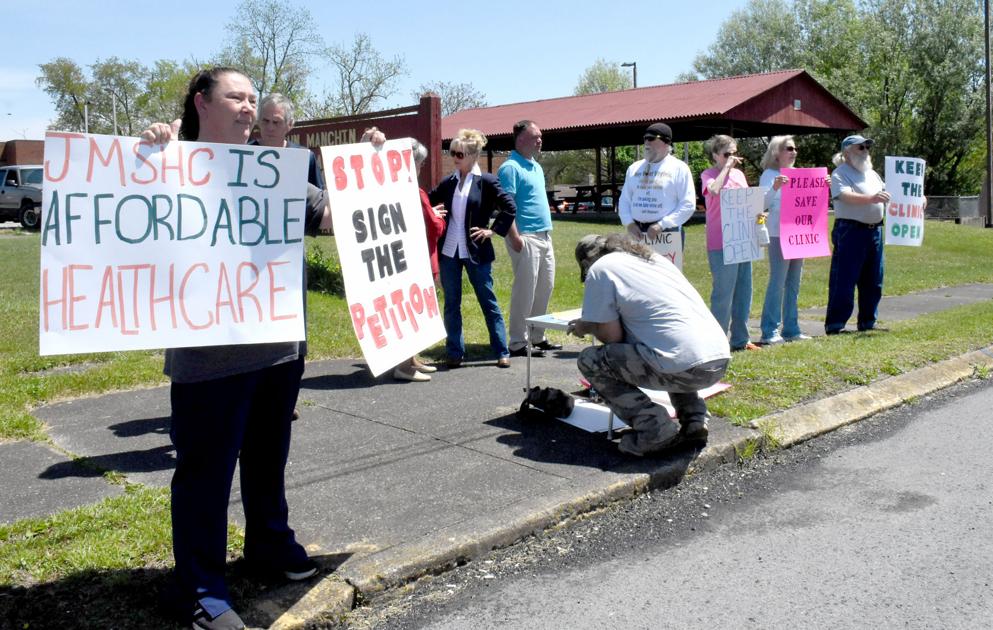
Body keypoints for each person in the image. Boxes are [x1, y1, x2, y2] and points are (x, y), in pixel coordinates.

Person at [141, 68, 331, 630]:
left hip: (278, 348)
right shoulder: (166, 161)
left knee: (268, 459)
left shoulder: (275, 170)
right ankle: (198, 587)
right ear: (202, 103)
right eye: (236, 97)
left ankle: (269, 546)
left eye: (253, 99)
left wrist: (374, 170)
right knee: (205, 472)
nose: (249, 108)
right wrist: (148, 157)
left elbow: (331, 216)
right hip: (210, 357)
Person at [567, 234, 730, 457]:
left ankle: (655, 429)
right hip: (717, 358)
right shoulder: (654, 260)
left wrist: (585, 326)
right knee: (665, 348)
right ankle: (694, 420)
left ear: (586, 263)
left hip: (682, 365)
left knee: (591, 360)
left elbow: (611, 337)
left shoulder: (601, 269)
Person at [429, 128, 522, 369]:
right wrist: (431, 212)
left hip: (476, 251)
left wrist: (493, 230)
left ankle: (502, 350)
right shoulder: (449, 182)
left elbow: (510, 208)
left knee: (487, 300)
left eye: (459, 154)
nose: (454, 157)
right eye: (452, 153)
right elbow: (427, 200)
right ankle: (454, 352)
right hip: (449, 251)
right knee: (451, 303)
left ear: (472, 155)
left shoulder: (487, 181)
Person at [498, 120, 560, 358]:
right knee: (526, 290)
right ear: (521, 139)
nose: (540, 141)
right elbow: (505, 207)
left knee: (545, 287)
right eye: (535, 137)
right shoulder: (510, 168)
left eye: (541, 136)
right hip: (525, 237)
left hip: (545, 235)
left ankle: (537, 337)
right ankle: (516, 341)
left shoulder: (536, 166)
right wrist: (514, 237)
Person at [825, 135, 892, 334]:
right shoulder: (840, 173)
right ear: (847, 153)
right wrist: (871, 198)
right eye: (860, 148)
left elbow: (893, 192)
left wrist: (916, 198)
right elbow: (844, 195)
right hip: (850, 230)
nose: (865, 151)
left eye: (866, 147)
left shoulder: (873, 175)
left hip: (875, 231)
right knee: (844, 280)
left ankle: (868, 322)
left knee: (874, 280)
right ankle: (836, 325)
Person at [393, 138, 447, 381]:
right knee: (414, 313)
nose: (421, 167)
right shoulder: (416, 192)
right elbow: (433, 227)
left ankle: (412, 359)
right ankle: (404, 366)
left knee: (412, 311)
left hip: (406, 259)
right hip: (422, 259)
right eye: (420, 163)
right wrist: (439, 217)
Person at [701, 134, 759, 352]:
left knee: (744, 292)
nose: (732, 158)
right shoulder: (709, 174)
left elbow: (746, 201)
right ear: (716, 155)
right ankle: (716, 342)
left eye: (734, 153)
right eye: (727, 154)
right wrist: (725, 169)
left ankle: (741, 339)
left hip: (742, 238)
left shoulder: (740, 176)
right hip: (721, 241)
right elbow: (714, 191)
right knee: (723, 294)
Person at [758, 135, 814, 344]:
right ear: (776, 152)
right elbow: (761, 204)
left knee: (793, 284)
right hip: (778, 234)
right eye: (789, 148)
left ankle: (791, 328)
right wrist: (775, 188)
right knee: (778, 282)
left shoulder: (799, 175)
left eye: (795, 148)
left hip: (799, 236)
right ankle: (769, 330)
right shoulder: (770, 175)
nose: (793, 152)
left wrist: (821, 186)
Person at [618, 122, 695, 255]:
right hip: (636, 232)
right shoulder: (634, 168)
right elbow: (625, 200)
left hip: (667, 232)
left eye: (652, 138)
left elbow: (688, 204)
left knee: (665, 275)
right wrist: (629, 223)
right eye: (645, 138)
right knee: (637, 274)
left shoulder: (679, 168)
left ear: (666, 142)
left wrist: (662, 225)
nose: (647, 142)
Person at [254, 92, 324, 189]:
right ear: (258, 122)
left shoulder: (305, 158)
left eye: (276, 122)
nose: (270, 127)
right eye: (265, 121)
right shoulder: (243, 155)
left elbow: (319, 201)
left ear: (290, 125)